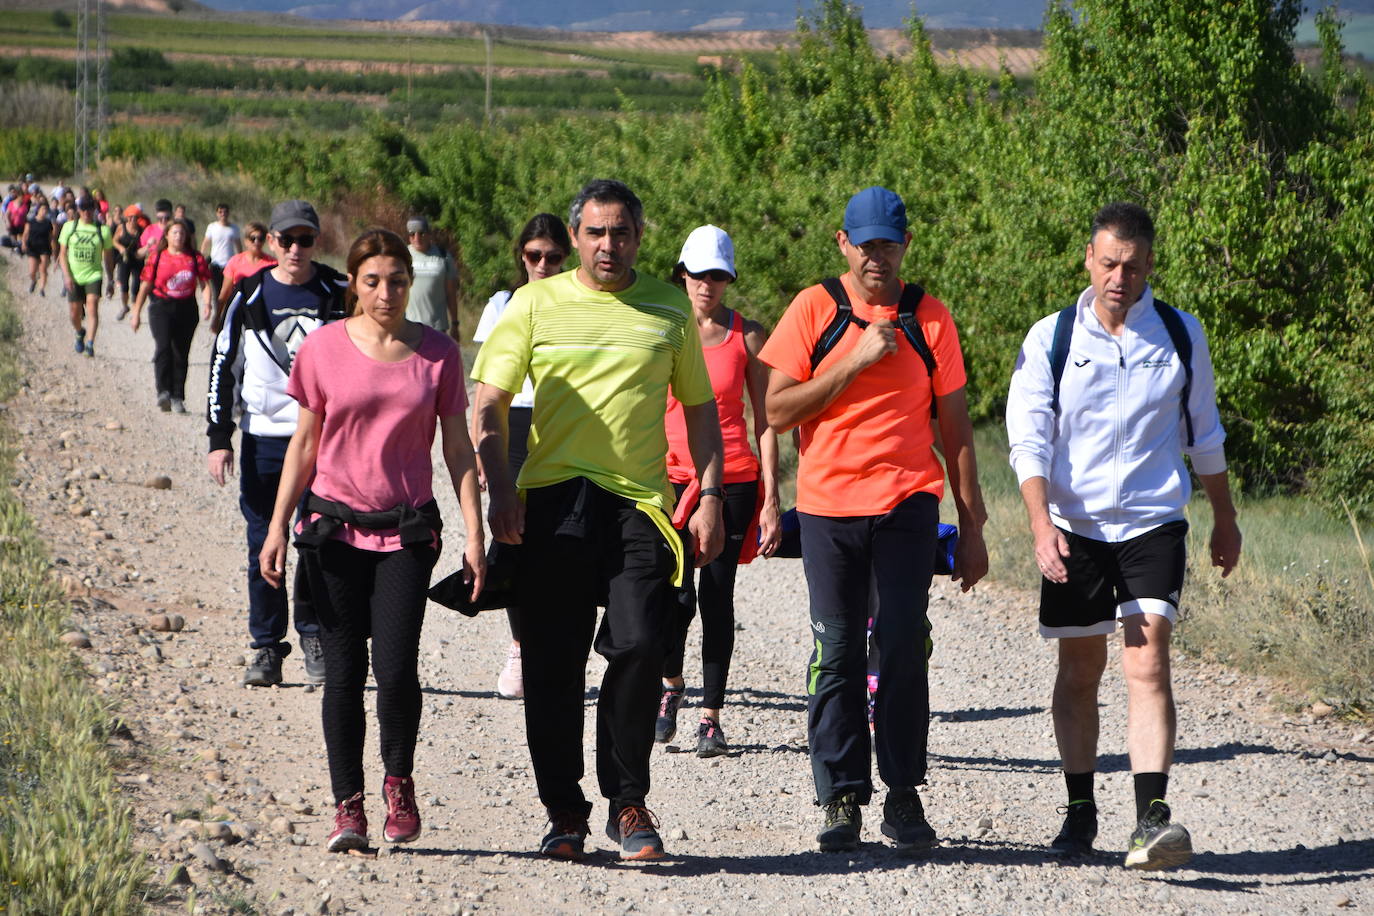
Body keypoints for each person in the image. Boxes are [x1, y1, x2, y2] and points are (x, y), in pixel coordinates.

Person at [472, 179, 724, 862]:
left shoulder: (668, 308)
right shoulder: (533, 303)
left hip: (639, 504)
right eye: (596, 233)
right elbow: (489, 402)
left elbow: (700, 408)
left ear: (640, 237)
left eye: (621, 232)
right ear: (577, 238)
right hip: (553, 498)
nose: (608, 244)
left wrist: (710, 494)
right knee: (553, 665)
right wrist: (499, 488)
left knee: (642, 644)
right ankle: (563, 810)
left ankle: (627, 801)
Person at [1005, 201, 1241, 871]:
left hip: (1151, 522)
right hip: (1076, 527)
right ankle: (1080, 811)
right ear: (1088, 258)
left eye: (1133, 267)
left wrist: (1224, 518)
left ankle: (1150, 821)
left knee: (1148, 659)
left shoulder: (1180, 334)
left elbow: (1206, 434)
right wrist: (1040, 523)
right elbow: (1028, 439)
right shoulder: (1051, 337)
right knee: (1080, 670)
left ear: (1150, 267)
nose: (1119, 277)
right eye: (1108, 263)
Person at [760, 186, 989, 853]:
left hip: (907, 503)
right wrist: (856, 358)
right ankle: (839, 799)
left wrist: (972, 528)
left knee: (901, 643)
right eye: (865, 245)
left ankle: (903, 793)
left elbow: (957, 429)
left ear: (905, 246)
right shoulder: (815, 310)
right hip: (830, 507)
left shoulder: (930, 319)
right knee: (835, 650)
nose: (876, 258)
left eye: (888, 244)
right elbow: (775, 412)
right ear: (843, 244)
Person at [260, 227, 486, 853]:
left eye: (396, 280)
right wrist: (278, 526)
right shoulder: (324, 349)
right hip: (333, 532)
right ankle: (348, 807)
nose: (386, 292)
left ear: (411, 283)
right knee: (341, 675)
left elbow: (459, 448)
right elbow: (304, 445)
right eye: (372, 280)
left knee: (394, 670)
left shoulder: (438, 353)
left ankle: (398, 782)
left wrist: (475, 530)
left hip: (406, 534)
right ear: (354, 284)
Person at [207, 200, 347, 688]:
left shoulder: (338, 292)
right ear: (271, 242)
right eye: (286, 239)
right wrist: (218, 436)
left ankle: (314, 636)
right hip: (264, 439)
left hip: (321, 440)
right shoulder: (249, 295)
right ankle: (267, 647)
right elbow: (221, 363)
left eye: (305, 239)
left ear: (316, 241)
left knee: (316, 542)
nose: (295, 249)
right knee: (263, 541)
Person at [654, 224, 781, 758]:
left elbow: (769, 420)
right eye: (699, 274)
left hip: (733, 482)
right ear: (681, 274)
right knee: (674, 595)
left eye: (718, 275)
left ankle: (711, 716)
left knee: (717, 596)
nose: (707, 284)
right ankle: (670, 688)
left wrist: (773, 496)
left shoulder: (746, 336)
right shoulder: (661, 328)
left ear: (729, 279)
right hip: (672, 478)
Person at [471, 212, 572, 701]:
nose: (543, 265)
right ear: (522, 257)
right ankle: (519, 646)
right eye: (534, 256)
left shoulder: (580, 300)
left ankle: (555, 645)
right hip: (515, 423)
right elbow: (485, 387)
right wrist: (480, 450)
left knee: (562, 541)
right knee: (514, 538)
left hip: (564, 424)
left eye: (553, 257)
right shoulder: (501, 304)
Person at [129, 218, 210, 409]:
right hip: (161, 306)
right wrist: (136, 312)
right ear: (166, 235)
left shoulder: (195, 257)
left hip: (187, 307)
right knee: (164, 347)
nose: (179, 236)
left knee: (181, 353)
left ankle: (177, 396)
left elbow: (204, 282)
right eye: (175, 232)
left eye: (182, 233)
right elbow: (145, 285)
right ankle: (163, 391)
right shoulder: (158, 257)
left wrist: (207, 304)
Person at [57, 195, 113, 358]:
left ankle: (90, 343)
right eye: (83, 208)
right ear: (78, 210)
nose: (86, 212)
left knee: (92, 304)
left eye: (90, 208)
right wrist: (66, 276)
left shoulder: (103, 230)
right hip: (74, 275)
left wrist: (110, 279)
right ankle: (80, 331)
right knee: (74, 313)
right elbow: (62, 253)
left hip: (93, 274)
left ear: (95, 210)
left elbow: (108, 258)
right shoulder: (69, 227)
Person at [212, 220, 275, 333]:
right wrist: (217, 318)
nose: (256, 242)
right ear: (246, 241)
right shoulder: (235, 262)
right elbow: (225, 292)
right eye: (252, 238)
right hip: (239, 312)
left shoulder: (272, 264)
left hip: (262, 313)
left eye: (260, 238)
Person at [403, 216, 459, 340]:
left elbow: (451, 293)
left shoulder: (443, 256)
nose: (417, 238)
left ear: (429, 234)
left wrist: (455, 323)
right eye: (412, 234)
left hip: (436, 327)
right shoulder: (403, 255)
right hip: (408, 326)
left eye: (421, 233)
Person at [201, 203, 242, 306]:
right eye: (220, 212)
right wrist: (201, 257)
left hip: (229, 265)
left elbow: (238, 246)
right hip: (215, 264)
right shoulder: (212, 227)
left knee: (229, 291)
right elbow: (206, 243)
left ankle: (227, 314)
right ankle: (218, 317)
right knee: (217, 291)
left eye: (225, 212)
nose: (223, 214)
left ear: (228, 213)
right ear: (217, 213)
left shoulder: (234, 228)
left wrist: (240, 261)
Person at [113, 206, 147, 320]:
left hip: (138, 260)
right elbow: (114, 240)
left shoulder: (142, 230)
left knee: (136, 286)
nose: (133, 220)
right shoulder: (121, 228)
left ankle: (134, 311)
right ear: (127, 217)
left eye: (135, 217)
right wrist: (120, 248)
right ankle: (124, 306)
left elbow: (145, 244)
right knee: (124, 286)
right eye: (130, 217)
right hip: (124, 259)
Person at [22, 201, 54, 296]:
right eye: (42, 209)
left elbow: (51, 237)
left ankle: (42, 289)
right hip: (32, 247)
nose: (44, 211)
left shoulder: (48, 223)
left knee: (43, 269)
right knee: (32, 271)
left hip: (44, 248)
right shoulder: (31, 222)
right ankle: (34, 280)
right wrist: (24, 243)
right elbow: (25, 234)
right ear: (38, 210)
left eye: (46, 210)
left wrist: (52, 248)